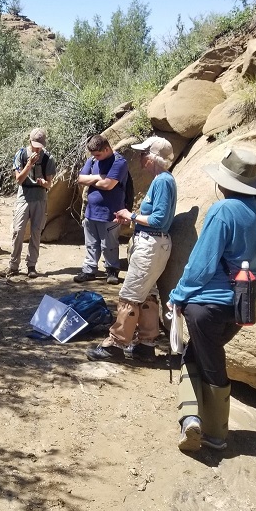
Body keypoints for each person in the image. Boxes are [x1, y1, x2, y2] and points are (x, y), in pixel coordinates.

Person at [167, 148, 256, 452]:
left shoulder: (223, 210)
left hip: (205, 307)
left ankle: (214, 434)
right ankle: (190, 418)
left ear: (223, 182)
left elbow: (200, 266)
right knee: (198, 354)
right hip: (242, 306)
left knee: (210, 361)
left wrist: (176, 296)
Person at [86, 137, 177, 362]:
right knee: (147, 294)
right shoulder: (163, 180)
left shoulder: (162, 181)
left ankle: (115, 344)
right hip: (154, 243)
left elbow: (159, 218)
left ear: (153, 157)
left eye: (143, 154)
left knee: (130, 293)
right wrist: (133, 219)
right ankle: (146, 345)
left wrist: (131, 215)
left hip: (151, 244)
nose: (140, 158)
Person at [0, 128, 56, 278]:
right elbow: (19, 180)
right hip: (24, 197)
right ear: (29, 141)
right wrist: (29, 164)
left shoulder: (48, 158)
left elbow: (50, 184)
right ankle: (13, 265)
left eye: (40, 145)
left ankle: (31, 265)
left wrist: (44, 183)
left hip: (40, 197)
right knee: (18, 231)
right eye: (35, 144)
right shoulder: (21, 154)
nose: (37, 148)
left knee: (36, 232)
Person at [75, 135, 129, 285]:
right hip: (91, 212)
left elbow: (108, 185)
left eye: (98, 154)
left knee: (109, 245)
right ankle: (89, 270)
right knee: (91, 243)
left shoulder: (119, 162)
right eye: (93, 155)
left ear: (107, 149)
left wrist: (91, 181)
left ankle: (112, 270)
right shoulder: (92, 160)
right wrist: (99, 176)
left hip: (110, 213)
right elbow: (80, 179)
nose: (96, 158)